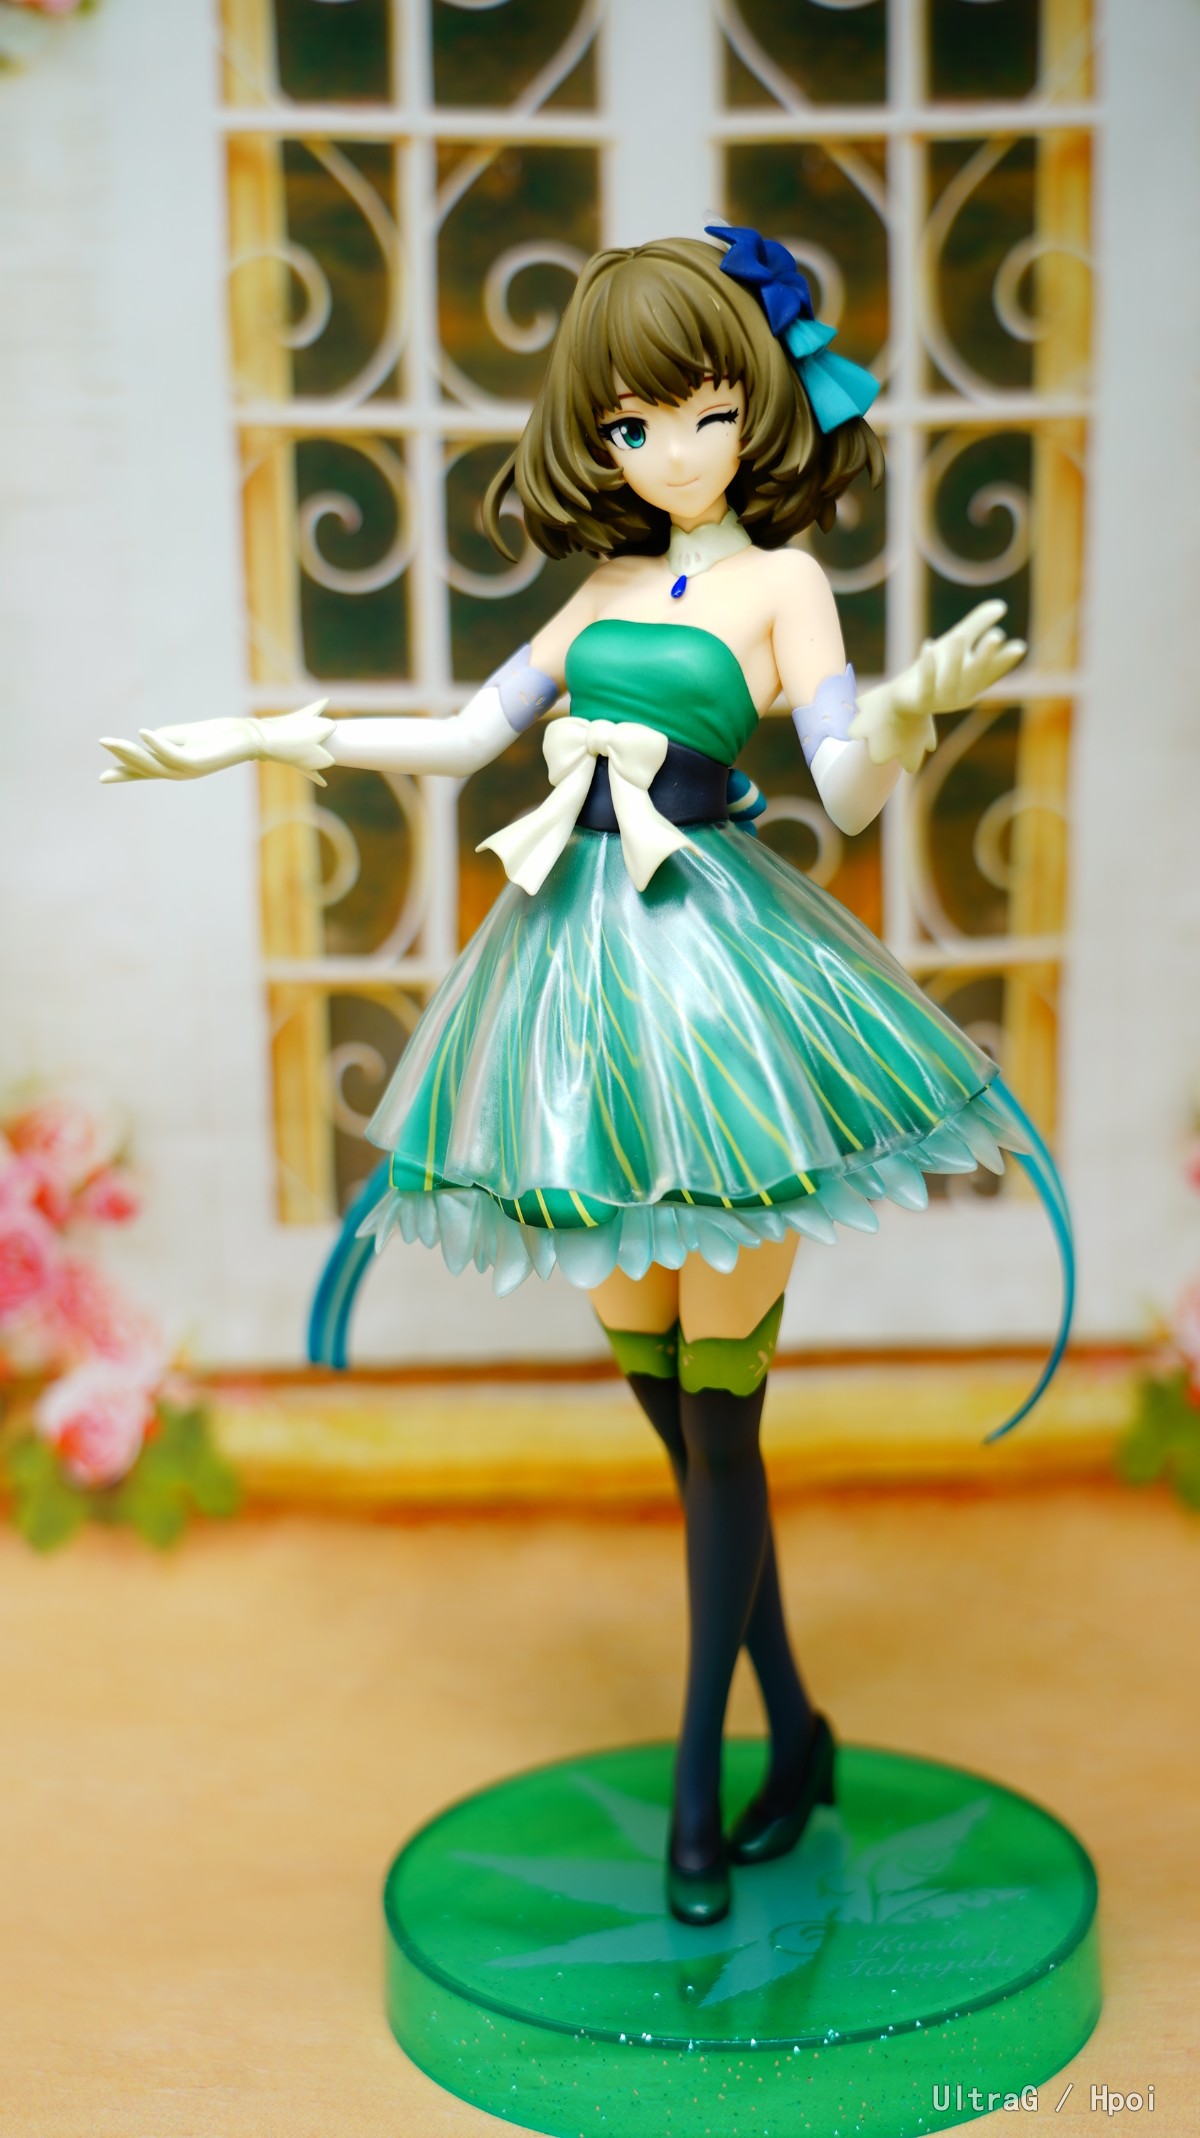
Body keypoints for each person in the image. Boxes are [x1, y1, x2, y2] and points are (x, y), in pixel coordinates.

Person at [101, 227, 1069, 1927]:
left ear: (754, 406)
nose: (671, 452)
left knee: (722, 1417)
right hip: (577, 987)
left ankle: (705, 1782)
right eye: (632, 426)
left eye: (702, 414)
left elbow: (842, 785)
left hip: (720, 990)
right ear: (600, 438)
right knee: (677, 1408)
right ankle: (800, 1722)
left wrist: (909, 717)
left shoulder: (782, 584)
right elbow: (464, 736)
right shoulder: (604, 595)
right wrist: (257, 738)